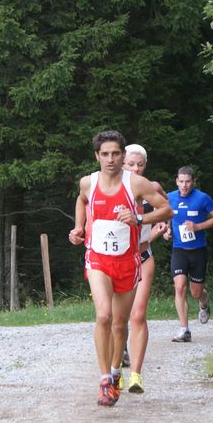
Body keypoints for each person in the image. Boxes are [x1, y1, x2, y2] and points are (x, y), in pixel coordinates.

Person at [68, 131, 172, 406]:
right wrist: (79, 227)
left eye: (115, 153)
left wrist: (139, 218)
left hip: (127, 261)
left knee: (119, 323)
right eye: (105, 154)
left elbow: (167, 210)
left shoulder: (136, 183)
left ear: (122, 155)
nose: (110, 159)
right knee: (103, 315)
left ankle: (116, 372)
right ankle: (105, 380)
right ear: (97, 156)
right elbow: (81, 199)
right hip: (98, 259)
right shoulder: (88, 183)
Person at [119, 143, 168, 394]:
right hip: (117, 260)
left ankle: (135, 375)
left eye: (140, 164)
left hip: (143, 257)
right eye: (131, 164)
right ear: (122, 164)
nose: (136, 169)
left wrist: (159, 229)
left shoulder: (152, 187)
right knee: (116, 319)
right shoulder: (112, 189)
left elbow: (167, 210)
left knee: (138, 315)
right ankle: (115, 370)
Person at [163, 166, 213, 342]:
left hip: (198, 251)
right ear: (176, 181)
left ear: (193, 182)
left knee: (196, 292)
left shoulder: (202, 198)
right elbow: (167, 216)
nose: (184, 185)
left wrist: (198, 227)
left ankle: (204, 302)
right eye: (181, 181)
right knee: (179, 287)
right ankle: (184, 330)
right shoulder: (169, 197)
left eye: (188, 181)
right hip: (179, 250)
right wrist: (166, 230)